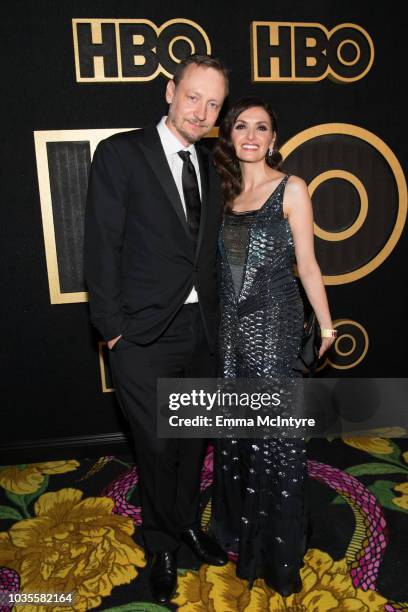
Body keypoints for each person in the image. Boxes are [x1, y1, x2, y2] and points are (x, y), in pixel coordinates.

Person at [83, 54, 229, 604]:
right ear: (170, 91)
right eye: (193, 96)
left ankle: (188, 524)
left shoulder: (213, 163)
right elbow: (101, 247)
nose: (201, 111)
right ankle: (163, 542)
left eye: (213, 103)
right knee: (157, 443)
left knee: (193, 440)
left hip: (200, 330)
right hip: (142, 334)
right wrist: (112, 329)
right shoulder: (122, 153)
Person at [211, 97, 336, 595]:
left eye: (261, 128)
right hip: (231, 332)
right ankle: (241, 530)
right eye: (241, 125)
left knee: (273, 438)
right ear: (230, 136)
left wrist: (325, 328)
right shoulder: (221, 194)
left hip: (275, 327)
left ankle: (277, 549)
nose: (251, 134)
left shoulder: (292, 189)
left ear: (273, 140)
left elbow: (307, 265)